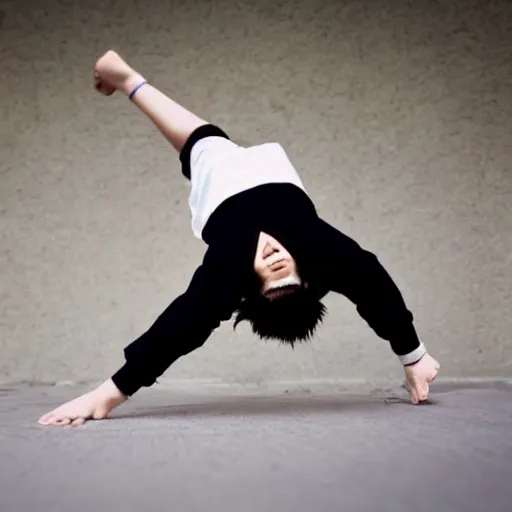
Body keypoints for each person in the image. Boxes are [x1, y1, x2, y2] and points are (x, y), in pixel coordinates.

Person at [38, 50, 441, 427]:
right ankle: (129, 81)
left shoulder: (229, 270)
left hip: (225, 178)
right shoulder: (319, 249)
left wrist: (109, 393)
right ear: (309, 277)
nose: (273, 255)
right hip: (264, 176)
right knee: (200, 143)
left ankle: (130, 83)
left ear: (251, 290)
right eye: (287, 268)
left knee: (203, 143)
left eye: (269, 271)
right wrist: (413, 354)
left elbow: (181, 327)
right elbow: (374, 286)